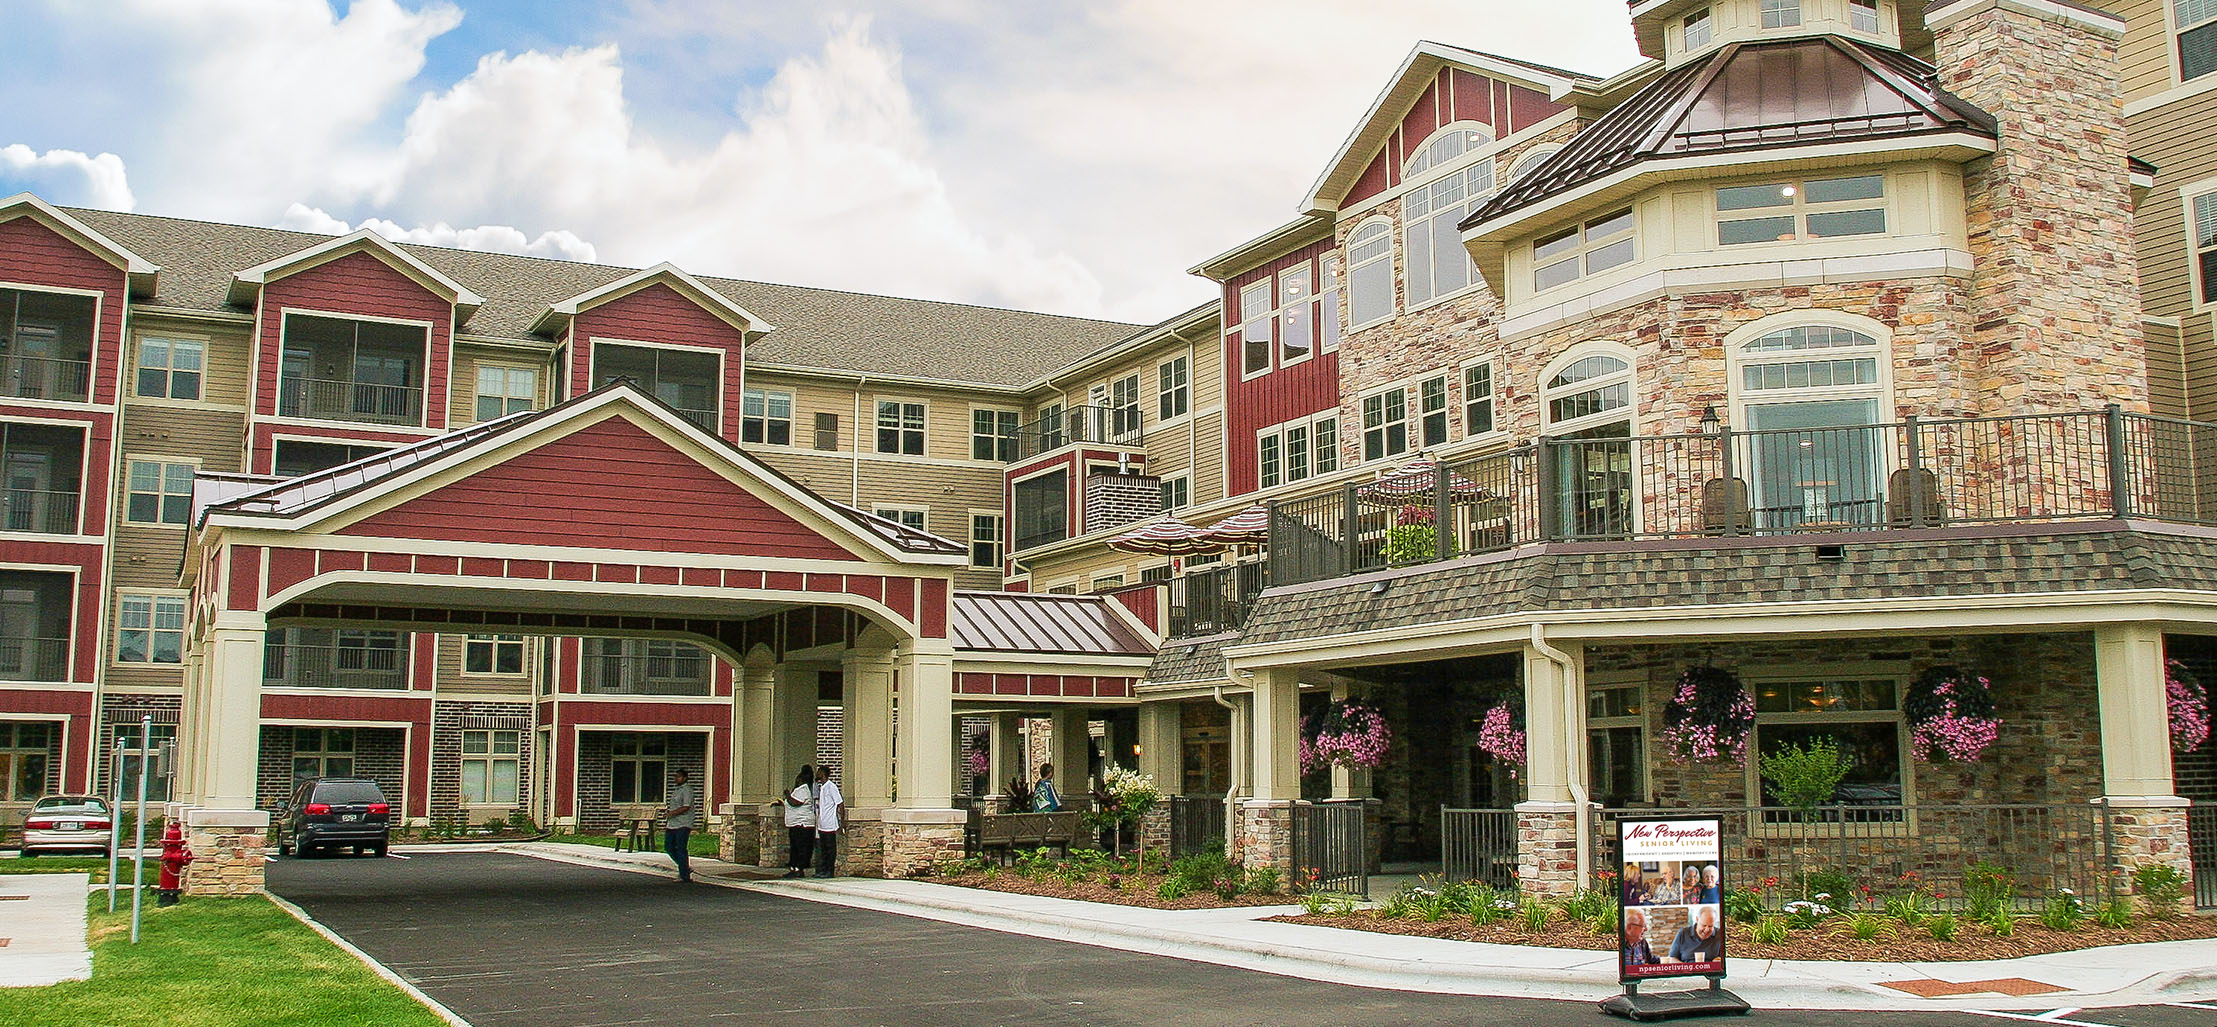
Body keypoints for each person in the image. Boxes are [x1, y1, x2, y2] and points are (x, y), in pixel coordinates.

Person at [663, 769, 699, 883]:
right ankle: (684, 867)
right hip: (672, 823)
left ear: (684, 778)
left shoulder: (687, 790)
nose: (676, 779)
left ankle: (684, 875)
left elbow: (686, 806)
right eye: (676, 776)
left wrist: (671, 813)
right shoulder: (676, 790)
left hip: (683, 823)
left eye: (678, 777)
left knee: (680, 848)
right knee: (668, 846)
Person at [782, 765, 816, 879]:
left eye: (798, 779)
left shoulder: (803, 790)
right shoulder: (800, 790)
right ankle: (793, 868)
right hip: (795, 823)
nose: (796, 781)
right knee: (795, 847)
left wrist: (787, 795)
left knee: (800, 847)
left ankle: (798, 869)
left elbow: (795, 803)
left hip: (802, 824)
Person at [813, 765, 845, 878]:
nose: (817, 774)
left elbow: (840, 804)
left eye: (819, 772)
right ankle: (823, 870)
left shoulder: (831, 787)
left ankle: (829, 871)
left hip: (830, 824)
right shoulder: (822, 787)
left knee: (830, 849)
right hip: (822, 824)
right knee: (824, 849)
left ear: (823, 773)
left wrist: (842, 822)